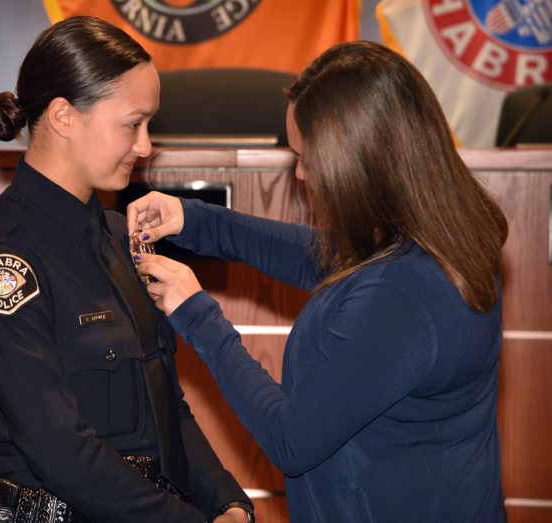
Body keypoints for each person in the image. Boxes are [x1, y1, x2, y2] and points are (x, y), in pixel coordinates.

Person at [127, 41, 508, 522]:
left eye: (307, 157)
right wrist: (196, 220)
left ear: (360, 164)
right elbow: (328, 259)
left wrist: (196, 314)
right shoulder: (443, 238)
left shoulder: (405, 293)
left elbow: (291, 439)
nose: (302, 174)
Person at [0, 16, 253, 523]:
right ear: (64, 116)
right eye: (133, 124)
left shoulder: (117, 236)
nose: (146, 145)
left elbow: (166, 407)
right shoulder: (1, 266)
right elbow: (61, 451)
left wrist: (228, 503)